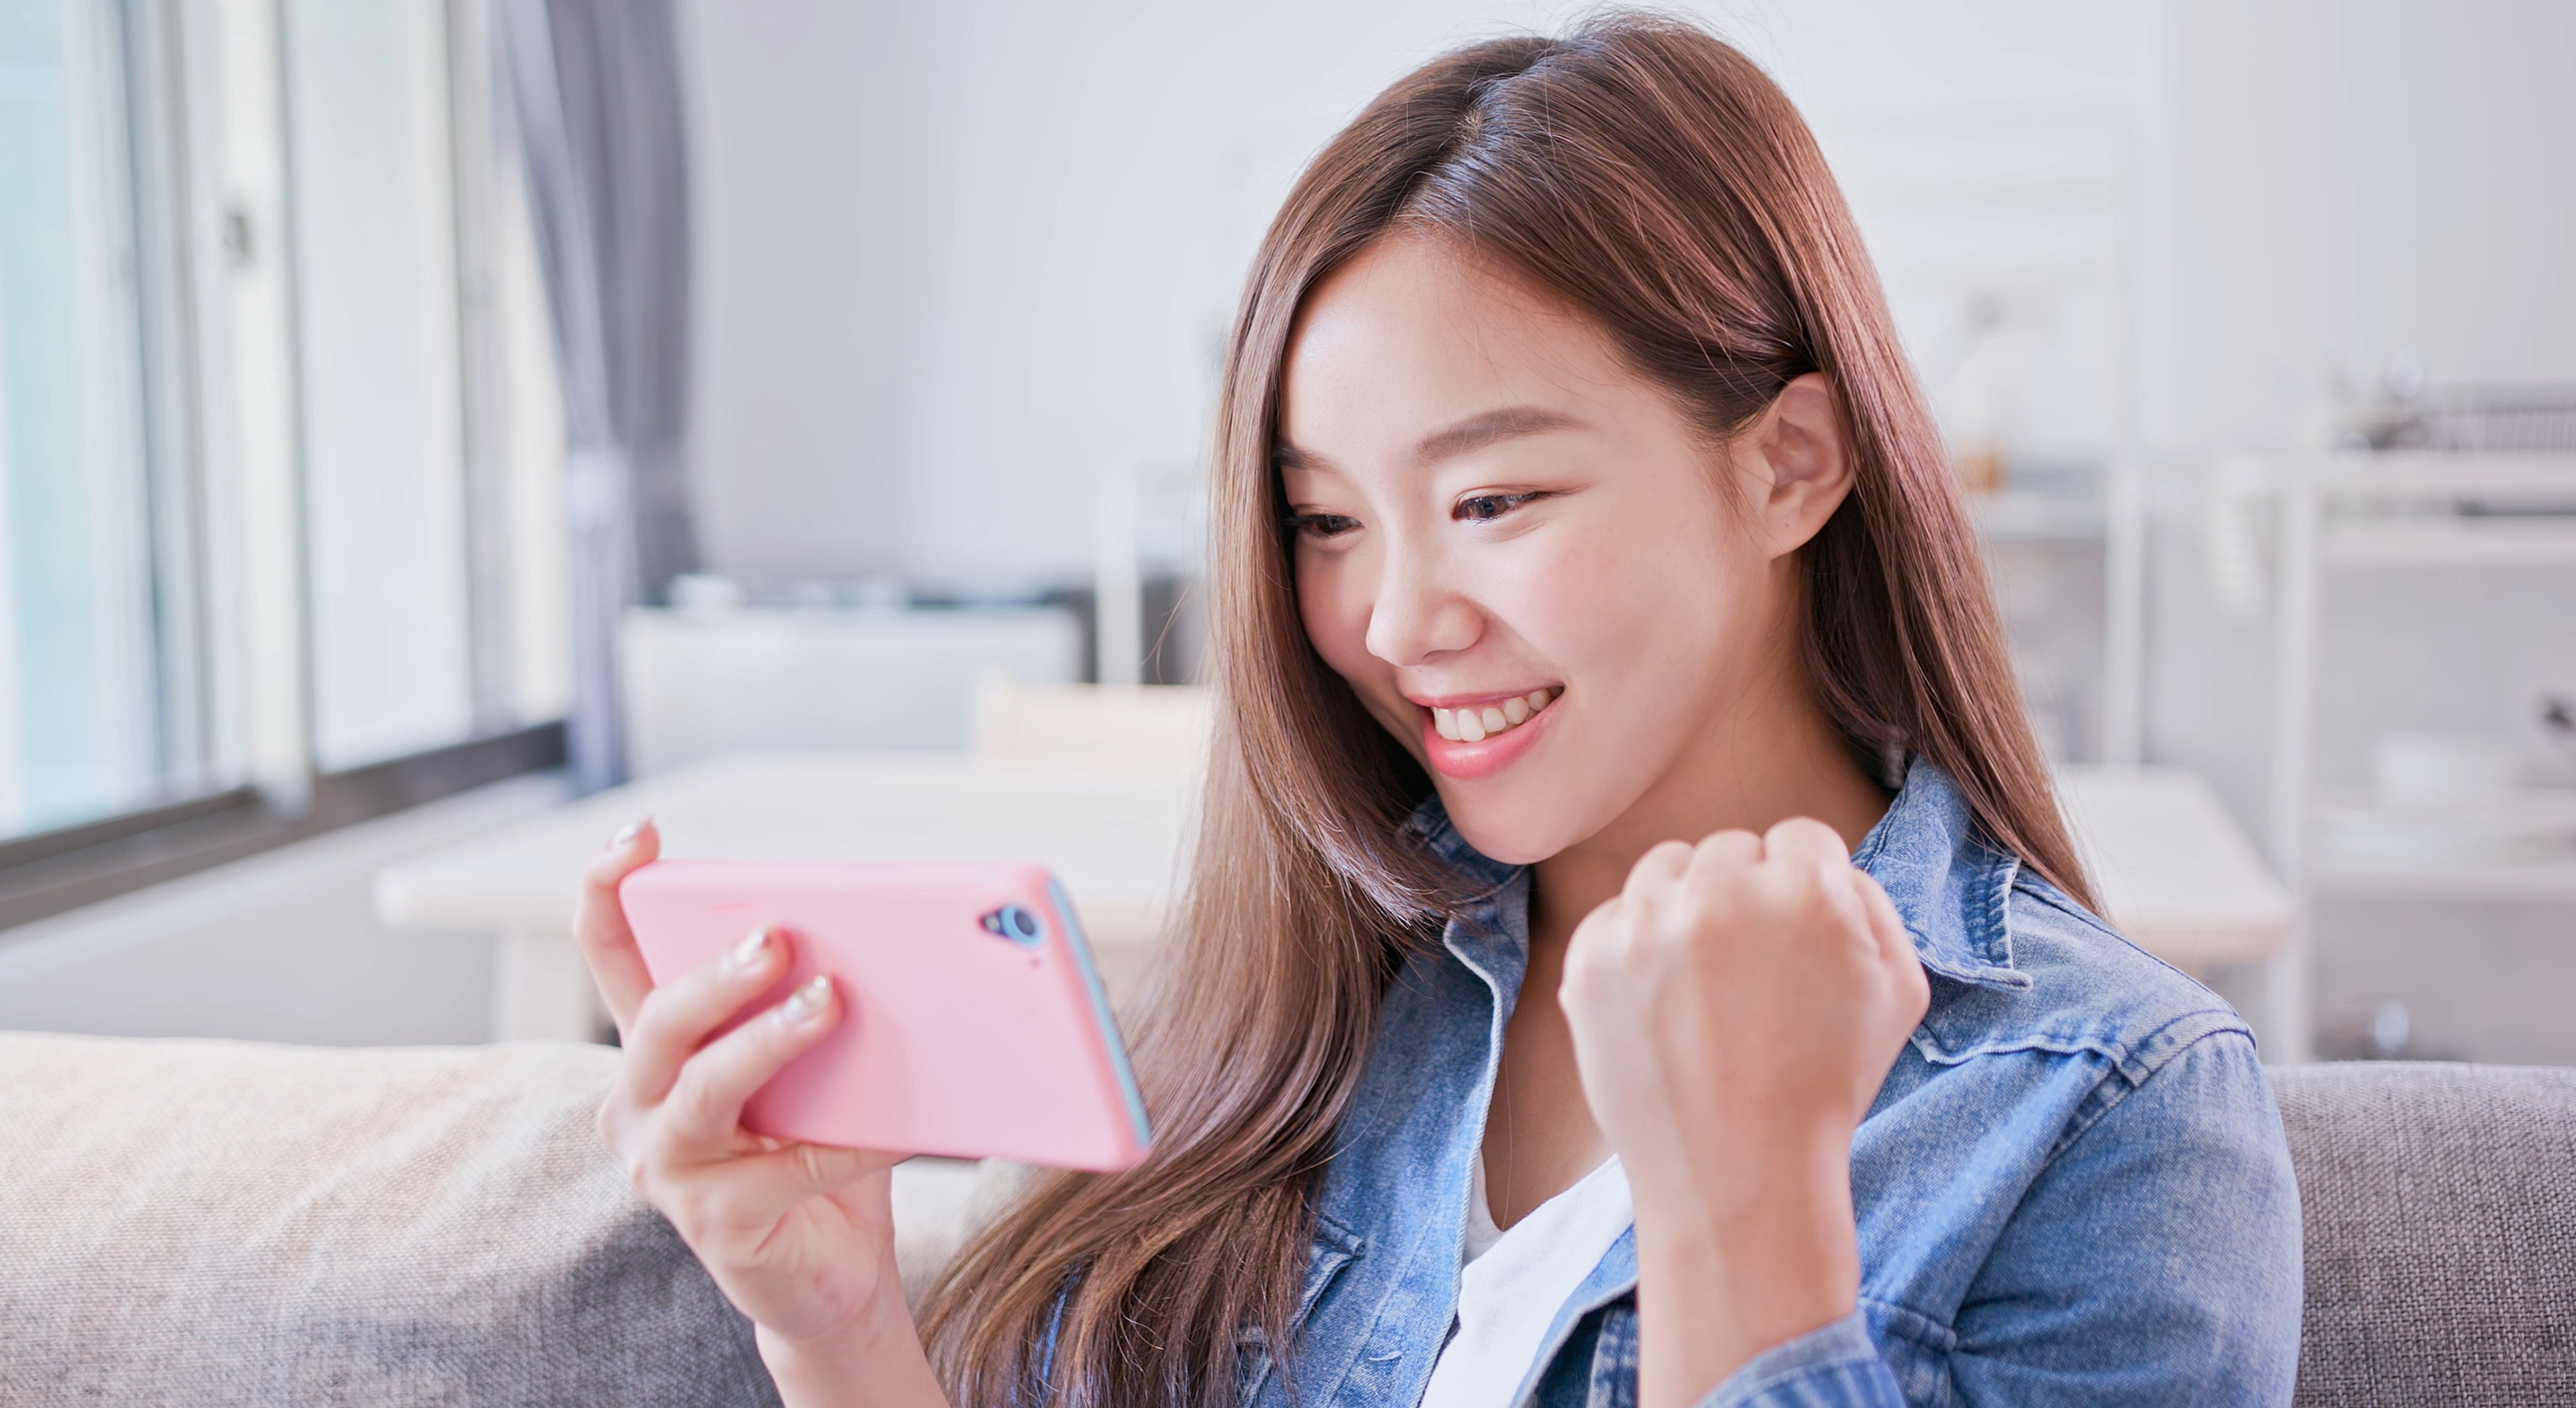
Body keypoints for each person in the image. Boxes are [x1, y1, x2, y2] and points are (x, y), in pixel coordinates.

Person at [570, 15, 2302, 1407]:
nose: (1394, 620)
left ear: (1786, 466)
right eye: (1326, 521)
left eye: (1493, 502)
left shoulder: (2110, 1113)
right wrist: (842, 1333)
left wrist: (1750, 1217)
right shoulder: (1313, 996)